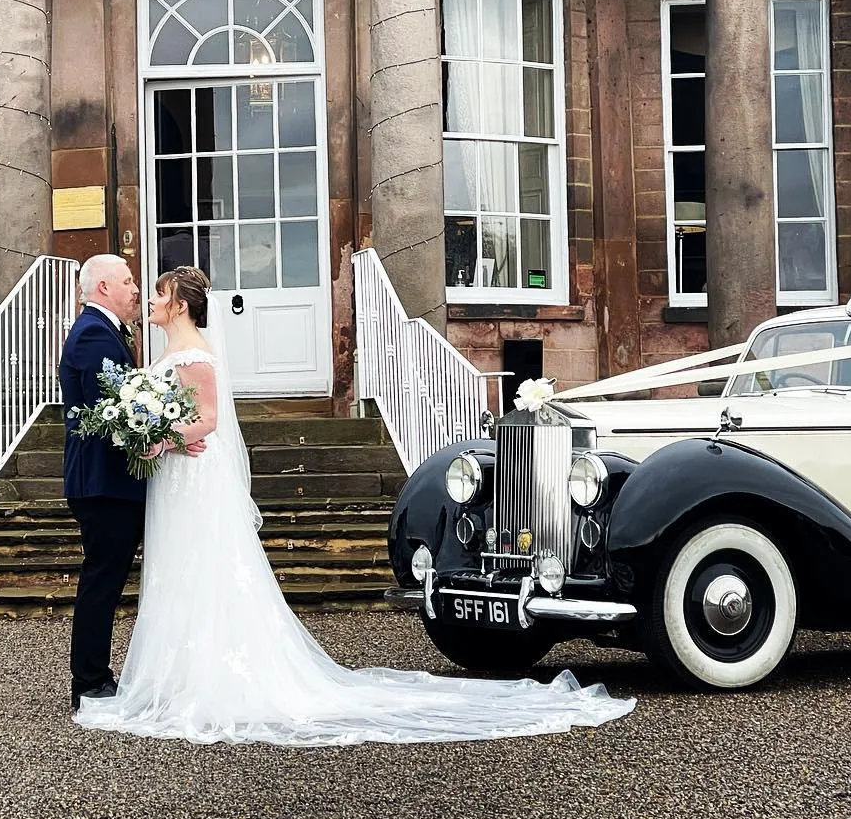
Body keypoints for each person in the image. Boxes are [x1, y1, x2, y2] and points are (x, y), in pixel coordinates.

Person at [74, 264, 635, 745]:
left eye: (155, 292)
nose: (145, 297)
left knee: (204, 570)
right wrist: (155, 435)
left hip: (191, 474)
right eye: (137, 288)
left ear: (177, 304)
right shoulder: (164, 349)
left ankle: (205, 679)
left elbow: (211, 421)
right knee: (176, 573)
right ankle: (172, 676)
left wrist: (161, 438)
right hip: (173, 480)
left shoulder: (195, 353)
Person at [58, 255, 205, 711]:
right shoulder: (93, 336)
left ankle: (97, 675)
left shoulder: (101, 332)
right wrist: (169, 441)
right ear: (103, 287)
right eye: (127, 281)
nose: (136, 289)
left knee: (107, 577)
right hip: (104, 483)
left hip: (111, 482)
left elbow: (125, 409)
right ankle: (90, 681)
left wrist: (166, 439)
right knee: (103, 579)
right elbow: (117, 413)